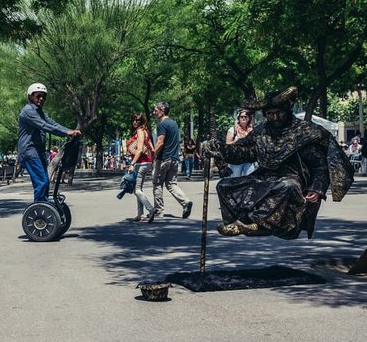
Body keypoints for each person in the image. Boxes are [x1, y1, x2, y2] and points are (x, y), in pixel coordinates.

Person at [202, 87, 354, 238]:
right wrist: (220, 148)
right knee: (224, 186)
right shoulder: (262, 131)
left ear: (288, 109)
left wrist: (317, 188)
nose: (275, 118)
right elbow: (243, 151)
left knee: (287, 186)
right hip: (264, 177)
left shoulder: (303, 132)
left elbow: (319, 164)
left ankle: (258, 223)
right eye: (270, 114)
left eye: (279, 113)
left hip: (292, 179)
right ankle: (243, 223)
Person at [17, 83, 81, 203]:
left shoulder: (39, 112)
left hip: (38, 151)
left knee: (45, 181)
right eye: (38, 96)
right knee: (42, 182)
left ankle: (43, 206)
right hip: (29, 151)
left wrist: (69, 131)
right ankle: (40, 210)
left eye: (43, 96)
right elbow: (45, 126)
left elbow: (53, 124)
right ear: (30, 96)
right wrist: (67, 133)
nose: (41, 99)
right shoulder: (28, 111)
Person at [149, 101, 192, 221]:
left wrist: (153, 155)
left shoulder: (162, 124)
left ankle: (159, 211)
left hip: (163, 159)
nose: (154, 113)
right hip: (174, 159)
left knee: (157, 183)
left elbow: (160, 142)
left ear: (162, 111)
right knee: (172, 184)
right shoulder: (174, 123)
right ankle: (185, 202)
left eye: (155, 110)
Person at [126, 113, 155, 222]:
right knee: (139, 188)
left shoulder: (140, 131)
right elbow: (152, 149)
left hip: (140, 163)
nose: (135, 122)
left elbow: (139, 149)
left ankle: (151, 209)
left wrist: (132, 164)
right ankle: (140, 214)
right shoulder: (146, 131)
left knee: (137, 190)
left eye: (138, 120)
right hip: (146, 162)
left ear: (142, 121)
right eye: (133, 120)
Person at [225, 109, 255, 177]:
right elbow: (227, 144)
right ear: (239, 118)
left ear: (249, 118)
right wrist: (236, 141)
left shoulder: (252, 130)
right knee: (235, 181)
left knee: (250, 178)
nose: (244, 118)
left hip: (248, 160)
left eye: (246, 116)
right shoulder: (233, 129)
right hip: (235, 161)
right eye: (242, 117)